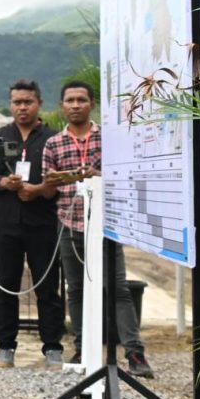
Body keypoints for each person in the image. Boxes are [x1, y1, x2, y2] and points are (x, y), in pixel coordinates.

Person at [44, 78, 148, 377]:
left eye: (81, 100)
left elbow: (127, 178)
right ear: (62, 106)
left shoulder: (110, 139)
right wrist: (53, 181)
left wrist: (97, 175)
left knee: (118, 290)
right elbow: (48, 189)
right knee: (75, 290)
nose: (76, 105)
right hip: (69, 222)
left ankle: (134, 352)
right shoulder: (53, 143)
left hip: (107, 224)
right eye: (70, 100)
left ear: (92, 104)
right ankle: (82, 348)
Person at [0, 80, 64, 366]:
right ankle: (5, 347)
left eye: (27, 101)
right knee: (5, 285)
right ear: (10, 104)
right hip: (5, 222)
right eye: (17, 102)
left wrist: (38, 188)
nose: (22, 107)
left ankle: (52, 346)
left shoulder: (53, 138)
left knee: (47, 287)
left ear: (39, 103)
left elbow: (60, 178)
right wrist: (4, 182)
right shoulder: (0, 137)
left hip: (43, 222)